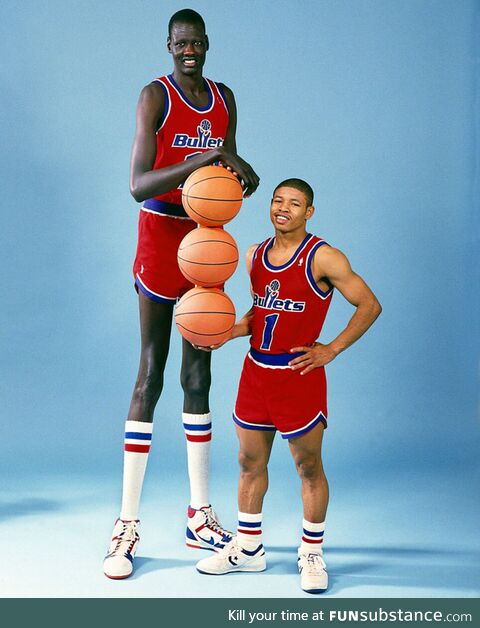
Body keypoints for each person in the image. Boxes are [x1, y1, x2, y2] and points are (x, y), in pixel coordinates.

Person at [103, 8, 259, 580]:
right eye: (180, 42)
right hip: (159, 235)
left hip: (206, 242)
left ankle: (200, 513)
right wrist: (207, 158)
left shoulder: (224, 97)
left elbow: (224, 168)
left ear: (207, 44)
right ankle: (126, 523)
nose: (188, 49)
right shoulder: (155, 96)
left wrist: (236, 176)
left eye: (196, 42)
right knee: (152, 373)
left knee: (201, 376)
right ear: (168, 45)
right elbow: (138, 183)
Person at [195, 178, 381, 593]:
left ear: (308, 212)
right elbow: (261, 313)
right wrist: (226, 331)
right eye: (278, 201)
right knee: (248, 463)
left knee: (308, 467)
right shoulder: (255, 255)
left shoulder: (324, 257)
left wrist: (331, 349)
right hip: (256, 373)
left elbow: (370, 304)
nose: (283, 208)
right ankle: (248, 549)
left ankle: (312, 552)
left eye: (294, 203)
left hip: (298, 376)